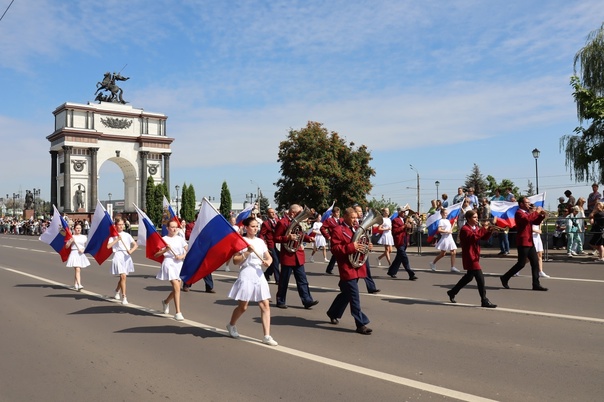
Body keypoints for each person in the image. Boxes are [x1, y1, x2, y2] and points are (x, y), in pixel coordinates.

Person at [226, 217, 278, 346]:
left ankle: (266, 335)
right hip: (246, 272)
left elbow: (269, 257)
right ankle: (231, 325)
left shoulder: (260, 241)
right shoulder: (241, 241)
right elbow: (235, 261)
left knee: (265, 304)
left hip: (259, 274)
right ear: (246, 227)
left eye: (256, 226)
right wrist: (247, 252)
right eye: (253, 226)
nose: (255, 229)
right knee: (243, 306)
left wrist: (268, 262)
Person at [326, 207, 373, 335]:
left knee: (346, 294)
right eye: (352, 218)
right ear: (345, 217)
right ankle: (360, 324)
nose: (355, 220)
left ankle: (333, 312)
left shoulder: (358, 229)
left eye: (356, 217)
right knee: (354, 296)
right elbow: (335, 249)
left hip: (357, 266)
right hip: (347, 267)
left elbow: (362, 243)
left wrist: (367, 246)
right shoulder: (338, 230)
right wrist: (352, 246)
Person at [446, 210, 497, 308]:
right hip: (470, 256)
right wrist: (484, 228)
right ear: (468, 219)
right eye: (474, 217)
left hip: (475, 255)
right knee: (480, 278)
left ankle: (452, 292)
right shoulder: (465, 229)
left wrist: (489, 231)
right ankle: (484, 300)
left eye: (477, 217)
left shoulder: (476, 227)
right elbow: (474, 237)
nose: (477, 219)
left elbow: (483, 238)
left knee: (469, 277)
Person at [273, 204, 319, 309]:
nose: (302, 215)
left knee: (302, 280)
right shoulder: (282, 222)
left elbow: (301, 235)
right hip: (288, 255)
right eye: (300, 213)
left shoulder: (298, 222)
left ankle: (307, 300)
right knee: (284, 280)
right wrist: (287, 237)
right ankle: (280, 300)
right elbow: (276, 238)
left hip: (298, 255)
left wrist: (308, 239)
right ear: (293, 213)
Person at [500, 196, 548, 291]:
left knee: (535, 263)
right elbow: (527, 219)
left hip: (530, 241)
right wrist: (536, 212)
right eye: (527, 202)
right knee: (521, 264)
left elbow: (535, 221)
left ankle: (536, 284)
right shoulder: (519, 213)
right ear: (521, 204)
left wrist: (541, 215)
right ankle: (505, 277)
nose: (529, 204)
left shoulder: (527, 213)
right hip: (523, 241)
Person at [154, 220, 188, 321]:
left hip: (179, 264)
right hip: (169, 263)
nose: (174, 229)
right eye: (172, 227)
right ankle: (178, 312)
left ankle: (166, 302)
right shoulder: (163, 239)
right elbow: (156, 254)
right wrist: (165, 250)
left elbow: (187, 250)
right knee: (177, 288)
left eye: (175, 227)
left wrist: (181, 256)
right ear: (167, 228)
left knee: (176, 288)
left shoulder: (180, 239)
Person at [107, 217, 139, 304]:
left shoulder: (127, 235)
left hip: (126, 256)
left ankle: (117, 290)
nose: (121, 226)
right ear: (116, 226)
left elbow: (136, 245)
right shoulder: (113, 236)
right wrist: (117, 239)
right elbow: (108, 246)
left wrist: (131, 251)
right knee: (123, 276)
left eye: (122, 224)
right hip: (118, 255)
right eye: (119, 225)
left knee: (123, 277)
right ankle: (124, 297)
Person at [352, 204, 381, 294]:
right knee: (354, 271)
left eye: (361, 211)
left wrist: (368, 245)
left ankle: (371, 287)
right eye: (359, 211)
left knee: (366, 269)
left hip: (362, 250)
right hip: (354, 250)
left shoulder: (361, 222)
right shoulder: (353, 223)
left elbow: (365, 237)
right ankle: (347, 287)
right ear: (354, 212)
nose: (361, 213)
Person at [386, 210, 417, 280]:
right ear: (399, 212)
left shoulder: (406, 219)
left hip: (405, 240)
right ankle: (410, 273)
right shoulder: (395, 220)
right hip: (399, 241)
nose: (404, 213)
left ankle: (391, 271)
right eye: (403, 212)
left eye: (404, 212)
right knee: (404, 257)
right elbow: (394, 231)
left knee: (399, 258)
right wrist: (404, 226)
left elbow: (409, 230)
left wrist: (411, 225)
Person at [430, 208, 460, 273]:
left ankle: (453, 267)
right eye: (445, 213)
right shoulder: (441, 221)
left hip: (450, 237)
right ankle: (433, 263)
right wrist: (446, 231)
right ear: (441, 214)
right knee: (443, 253)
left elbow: (450, 230)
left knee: (453, 252)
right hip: (445, 238)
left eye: (447, 213)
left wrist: (454, 223)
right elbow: (439, 230)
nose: (446, 214)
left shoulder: (447, 220)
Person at [65, 222, 90, 291]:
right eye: (77, 228)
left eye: (79, 228)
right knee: (77, 269)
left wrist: (83, 249)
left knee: (78, 270)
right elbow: (66, 246)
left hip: (81, 253)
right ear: (74, 229)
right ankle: (79, 284)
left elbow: (87, 246)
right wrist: (70, 241)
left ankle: (75, 284)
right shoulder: (72, 237)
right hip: (74, 253)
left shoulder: (84, 237)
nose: (78, 229)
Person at [260, 208, 280, 283]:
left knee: (278, 260)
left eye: (273, 212)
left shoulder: (278, 221)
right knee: (275, 261)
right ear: (268, 214)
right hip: (270, 244)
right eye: (271, 213)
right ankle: (278, 279)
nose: (273, 214)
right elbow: (262, 234)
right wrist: (263, 244)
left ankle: (267, 273)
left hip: (278, 243)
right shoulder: (265, 223)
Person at [323, 207, 341, 275]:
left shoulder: (341, 220)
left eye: (339, 212)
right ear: (333, 213)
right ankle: (330, 269)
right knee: (337, 254)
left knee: (336, 255)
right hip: (334, 240)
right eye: (336, 212)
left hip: (341, 239)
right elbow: (322, 228)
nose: (338, 214)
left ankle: (329, 269)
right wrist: (328, 236)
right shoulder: (329, 220)